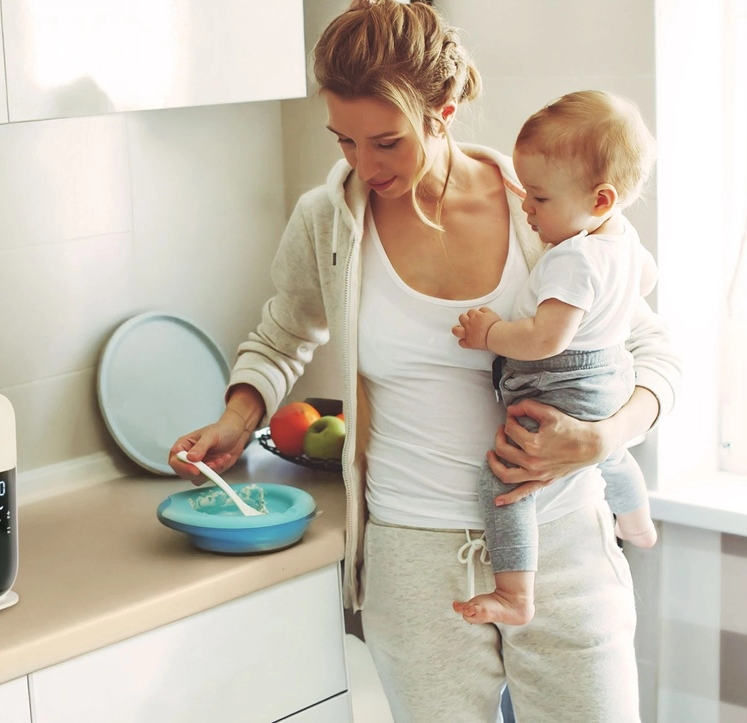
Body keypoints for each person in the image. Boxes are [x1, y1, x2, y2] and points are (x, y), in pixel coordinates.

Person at [168, 2, 680, 720]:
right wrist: (236, 415)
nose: (363, 165)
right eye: (345, 140)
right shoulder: (329, 222)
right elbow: (282, 335)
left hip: (563, 541)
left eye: (387, 142)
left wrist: (604, 437)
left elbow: (653, 351)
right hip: (415, 558)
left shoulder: (542, 210)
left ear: (443, 113)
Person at [450, 90, 661, 628]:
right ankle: (637, 523)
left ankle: (514, 593)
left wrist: (491, 333)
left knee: (503, 482)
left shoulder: (574, 258)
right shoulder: (623, 237)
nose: (527, 208)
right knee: (612, 455)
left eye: (540, 199)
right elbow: (647, 279)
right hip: (612, 376)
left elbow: (546, 340)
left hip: (561, 385)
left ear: (600, 199)